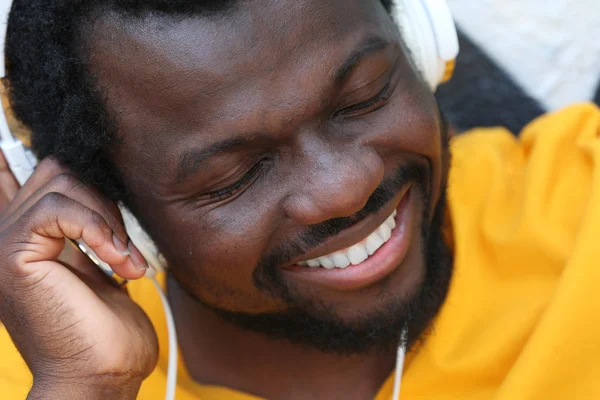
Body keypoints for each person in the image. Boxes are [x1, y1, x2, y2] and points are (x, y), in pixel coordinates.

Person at [1, 1, 599, 399]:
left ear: (418, 44)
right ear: (110, 207)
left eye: (363, 97)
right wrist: (83, 387)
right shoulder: (38, 366)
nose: (345, 186)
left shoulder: (581, 203)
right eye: (233, 175)